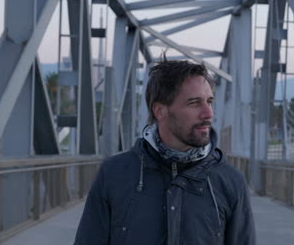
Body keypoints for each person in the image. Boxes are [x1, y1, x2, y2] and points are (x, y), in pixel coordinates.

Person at [74, 60, 255, 245]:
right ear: (160, 111)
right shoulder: (113, 174)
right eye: (194, 103)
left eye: (210, 101)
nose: (208, 113)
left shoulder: (230, 181)